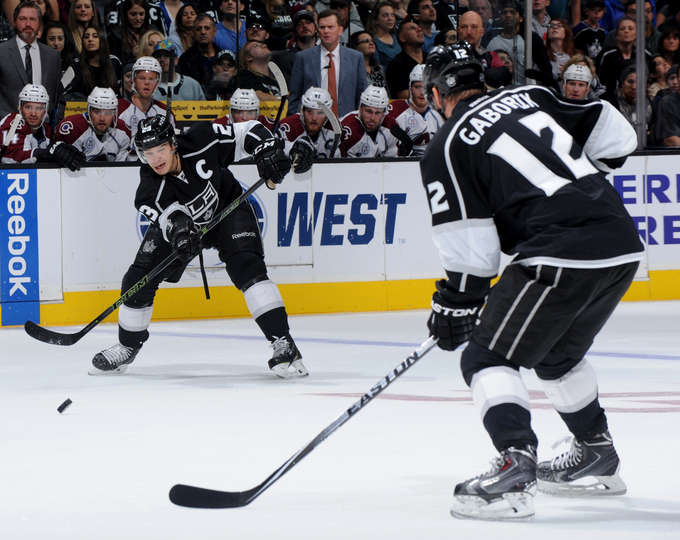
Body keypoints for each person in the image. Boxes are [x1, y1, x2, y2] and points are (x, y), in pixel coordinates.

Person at [420, 42, 643, 520]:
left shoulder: (448, 145)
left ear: (436, 93)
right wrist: (575, 186)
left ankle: (514, 465)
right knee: (556, 353)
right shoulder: (534, 96)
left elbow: (474, 252)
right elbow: (616, 134)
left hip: (558, 251)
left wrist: (454, 304)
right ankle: (595, 454)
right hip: (619, 241)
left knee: (486, 355)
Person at [90, 115, 309, 379]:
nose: (156, 159)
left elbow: (248, 131)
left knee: (248, 268)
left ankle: (283, 342)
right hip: (186, 231)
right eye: (149, 153)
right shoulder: (149, 188)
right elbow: (170, 217)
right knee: (139, 278)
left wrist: (268, 151)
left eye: (160, 149)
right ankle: (127, 346)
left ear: (173, 144)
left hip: (228, 210)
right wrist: (181, 232)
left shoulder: (202, 138)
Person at [288, 9, 367, 117]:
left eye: (330, 27)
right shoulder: (303, 58)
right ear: (317, 30)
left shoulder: (356, 58)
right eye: (322, 27)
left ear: (340, 30)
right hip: (312, 123)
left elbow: (362, 96)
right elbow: (295, 98)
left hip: (347, 123)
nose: (326, 31)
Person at [0, 1, 61, 120]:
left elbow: (58, 95)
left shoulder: (53, 56)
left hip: (44, 130)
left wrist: (53, 121)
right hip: (7, 130)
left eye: (32, 19)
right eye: (23, 19)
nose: (28, 24)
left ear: (39, 23)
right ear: (15, 22)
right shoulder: (2, 52)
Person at [1, 83, 85, 169]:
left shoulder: (45, 129)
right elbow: (11, 158)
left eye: (38, 108)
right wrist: (46, 153)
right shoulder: (13, 123)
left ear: (45, 110)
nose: (33, 113)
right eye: (28, 107)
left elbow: (52, 151)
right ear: (20, 108)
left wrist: (61, 150)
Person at [54, 86, 133, 161]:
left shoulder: (123, 131)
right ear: (89, 111)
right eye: (97, 111)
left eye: (108, 112)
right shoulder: (73, 127)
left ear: (114, 113)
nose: (102, 118)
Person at [385, 63, 443, 155]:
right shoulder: (395, 110)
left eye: (425, 87)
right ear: (410, 88)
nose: (421, 92)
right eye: (417, 87)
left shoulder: (439, 113)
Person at [277, 86, 339, 172]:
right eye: (309, 111)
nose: (314, 118)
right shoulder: (288, 127)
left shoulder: (335, 129)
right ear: (302, 110)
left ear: (327, 115)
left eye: (320, 113)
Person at [339, 84, 411, 157]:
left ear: (384, 113)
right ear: (360, 109)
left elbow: (391, 162)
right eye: (369, 111)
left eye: (378, 113)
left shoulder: (391, 128)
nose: (373, 118)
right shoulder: (346, 128)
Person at [118, 56, 175, 146]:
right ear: (134, 81)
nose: (147, 83)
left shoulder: (165, 112)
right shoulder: (118, 109)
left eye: (151, 79)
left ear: (157, 82)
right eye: (142, 78)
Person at [385, 16, 425, 98]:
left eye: (419, 28)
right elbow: (403, 95)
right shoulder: (396, 65)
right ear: (402, 38)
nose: (419, 30)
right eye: (412, 28)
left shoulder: (433, 58)